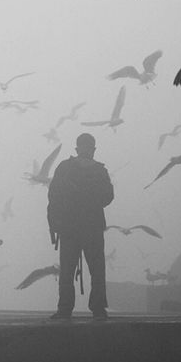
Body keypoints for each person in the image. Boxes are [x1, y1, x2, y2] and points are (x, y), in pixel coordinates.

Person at [46, 132, 114, 320]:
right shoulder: (99, 171)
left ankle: (66, 309)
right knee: (94, 269)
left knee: (69, 270)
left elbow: (53, 197)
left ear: (77, 149)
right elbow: (108, 196)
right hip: (87, 227)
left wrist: (54, 222)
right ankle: (96, 308)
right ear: (91, 149)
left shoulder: (65, 168)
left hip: (71, 228)